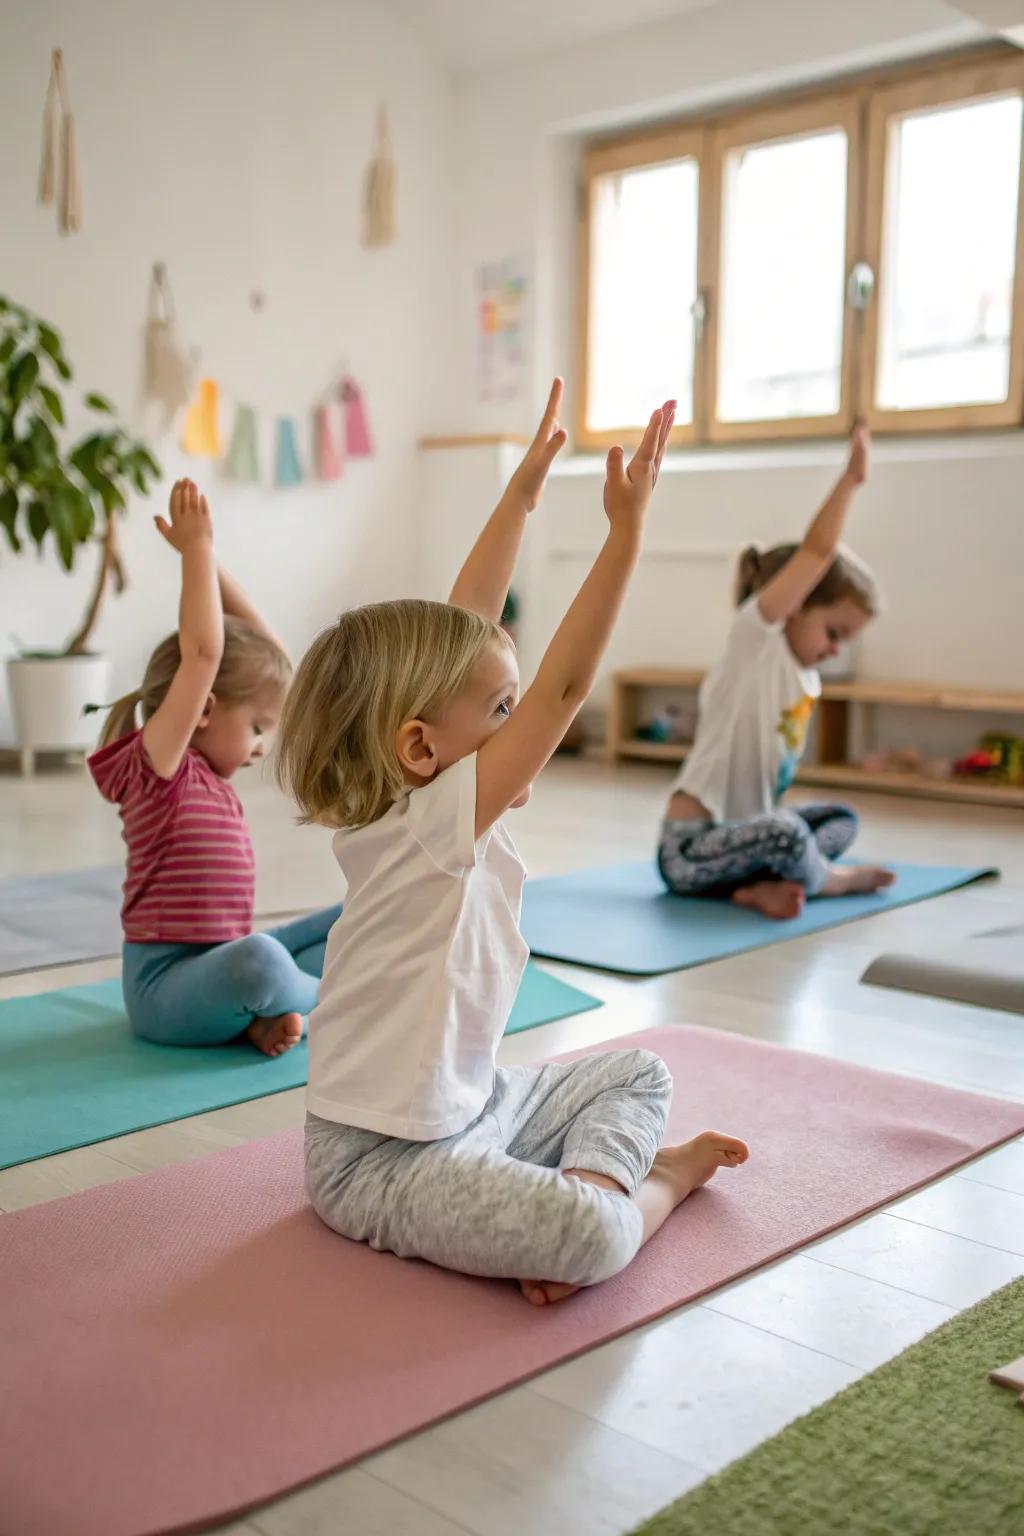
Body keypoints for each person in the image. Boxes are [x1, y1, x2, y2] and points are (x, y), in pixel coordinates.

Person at [277, 380, 749, 1306]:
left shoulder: (416, 794)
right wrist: (624, 536)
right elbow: (564, 689)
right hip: (380, 1160)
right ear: (422, 747)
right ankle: (645, 1189)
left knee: (640, 1067)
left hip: (477, 1103)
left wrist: (524, 493)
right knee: (593, 1240)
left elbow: (470, 618)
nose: (523, 722)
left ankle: (582, 1189)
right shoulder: (427, 828)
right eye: (503, 711)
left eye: (512, 704)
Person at [88, 478, 342, 1054]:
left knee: (357, 913)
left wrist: (210, 563)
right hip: (164, 991)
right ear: (202, 709)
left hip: (223, 963)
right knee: (260, 960)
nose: (260, 746)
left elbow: (273, 663)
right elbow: (205, 654)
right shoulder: (158, 769)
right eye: (256, 728)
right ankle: (333, 996)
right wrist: (196, 554)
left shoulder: (210, 776)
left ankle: (265, 1013)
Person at [658, 423, 893, 920]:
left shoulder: (806, 677)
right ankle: (826, 881)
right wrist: (851, 481)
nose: (836, 650)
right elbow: (817, 552)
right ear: (795, 605)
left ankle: (755, 888)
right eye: (833, 632)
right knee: (786, 834)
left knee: (838, 819)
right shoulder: (756, 645)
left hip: (745, 844)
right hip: (690, 852)